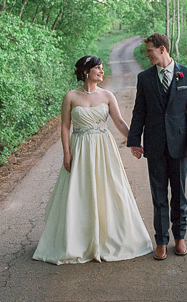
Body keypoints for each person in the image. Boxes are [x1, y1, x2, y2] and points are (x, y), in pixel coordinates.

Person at [33, 56, 153, 264]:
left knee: (108, 189)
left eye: (102, 68)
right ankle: (78, 240)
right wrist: (66, 153)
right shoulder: (70, 97)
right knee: (80, 191)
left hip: (104, 149)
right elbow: (64, 127)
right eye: (97, 68)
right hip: (79, 148)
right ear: (86, 72)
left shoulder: (107, 95)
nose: (101, 71)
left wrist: (134, 142)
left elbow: (120, 122)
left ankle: (109, 237)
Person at [127, 33, 187, 260]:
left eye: (150, 51)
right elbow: (139, 111)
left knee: (179, 194)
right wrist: (134, 141)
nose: (147, 55)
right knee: (158, 195)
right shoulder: (145, 78)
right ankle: (161, 240)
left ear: (162, 49)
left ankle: (180, 238)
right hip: (155, 145)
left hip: (180, 145)